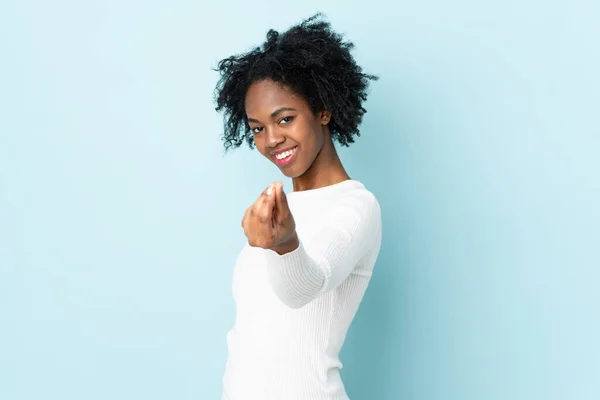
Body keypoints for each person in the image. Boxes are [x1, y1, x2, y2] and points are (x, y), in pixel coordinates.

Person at [213, 13, 382, 400]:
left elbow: (304, 287)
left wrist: (285, 244)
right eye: (257, 128)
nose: (271, 140)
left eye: (284, 119)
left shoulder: (357, 207)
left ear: (322, 110)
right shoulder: (277, 212)